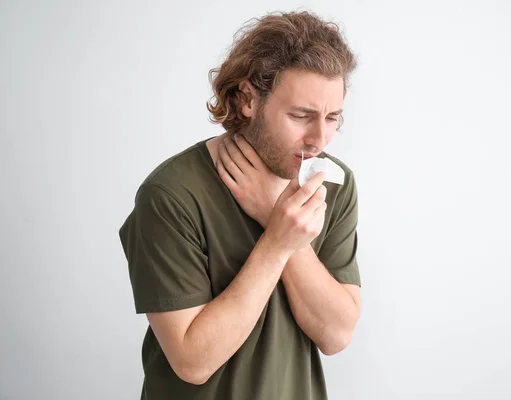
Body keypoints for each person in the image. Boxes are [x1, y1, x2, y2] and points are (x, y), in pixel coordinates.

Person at [118, 10, 362, 400]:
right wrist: (277, 241)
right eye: (302, 116)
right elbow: (192, 362)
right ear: (248, 99)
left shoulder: (333, 185)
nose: (321, 139)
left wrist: (274, 217)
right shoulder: (172, 194)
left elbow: (336, 335)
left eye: (333, 117)